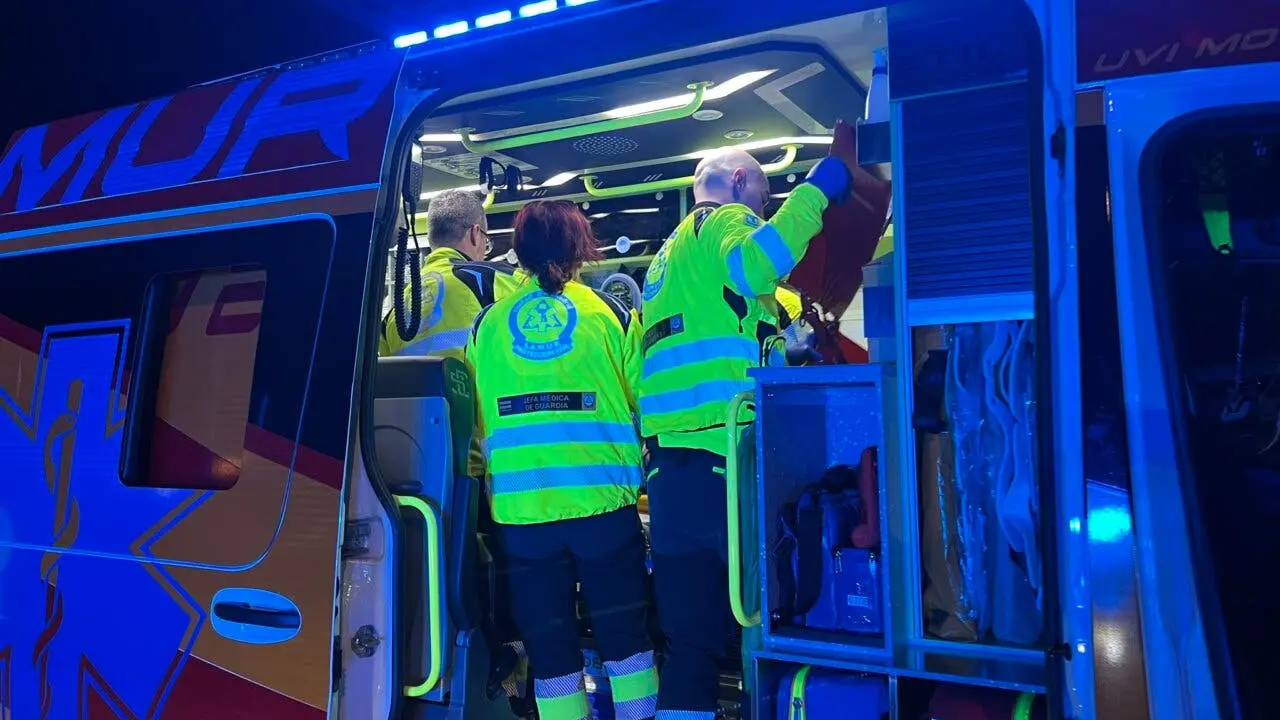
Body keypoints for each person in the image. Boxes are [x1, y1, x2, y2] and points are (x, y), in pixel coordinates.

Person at [638, 148, 856, 719]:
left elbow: (712, 347)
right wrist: (815, 190)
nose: (763, 209)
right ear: (739, 181)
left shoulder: (664, 262)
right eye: (763, 196)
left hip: (669, 472)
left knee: (690, 645)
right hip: (725, 462)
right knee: (763, 618)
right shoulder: (724, 220)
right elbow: (759, 262)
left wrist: (785, 350)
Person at [467, 200, 657, 720]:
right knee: (625, 643)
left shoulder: (487, 327)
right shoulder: (612, 314)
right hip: (603, 512)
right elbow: (647, 401)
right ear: (579, 247)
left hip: (522, 518)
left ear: (519, 251)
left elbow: (478, 422)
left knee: (550, 654)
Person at [379, 188, 519, 359]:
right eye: (486, 241)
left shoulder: (396, 311)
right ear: (475, 234)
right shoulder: (494, 279)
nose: (485, 250)